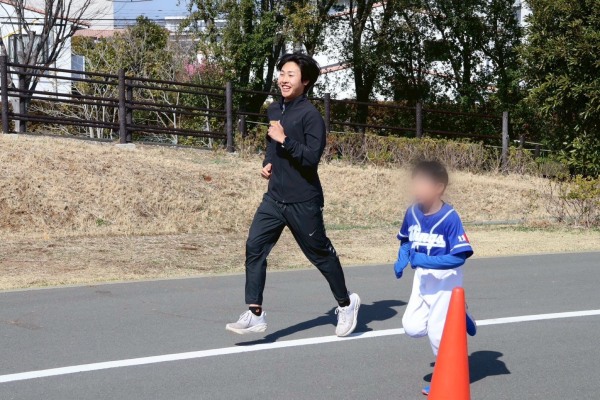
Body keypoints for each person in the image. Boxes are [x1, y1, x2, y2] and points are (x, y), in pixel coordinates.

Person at [226, 53, 360, 337]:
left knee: (320, 255)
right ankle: (255, 313)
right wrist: (268, 162)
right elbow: (271, 145)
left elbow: (311, 159)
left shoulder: (311, 116)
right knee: (254, 247)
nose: (284, 80)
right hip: (274, 199)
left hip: (303, 200)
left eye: (291, 75)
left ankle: (346, 304)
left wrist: (284, 140)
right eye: (282, 74)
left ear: (305, 81)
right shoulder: (275, 109)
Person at [394, 160, 477, 396]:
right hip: (422, 279)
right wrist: (402, 257)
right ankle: (458, 313)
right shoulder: (412, 212)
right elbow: (406, 239)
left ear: (439, 187)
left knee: (438, 333)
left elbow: (459, 257)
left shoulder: (450, 217)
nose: (416, 188)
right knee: (412, 327)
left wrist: (425, 260)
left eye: (423, 183)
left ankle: (444, 375)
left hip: (446, 281)